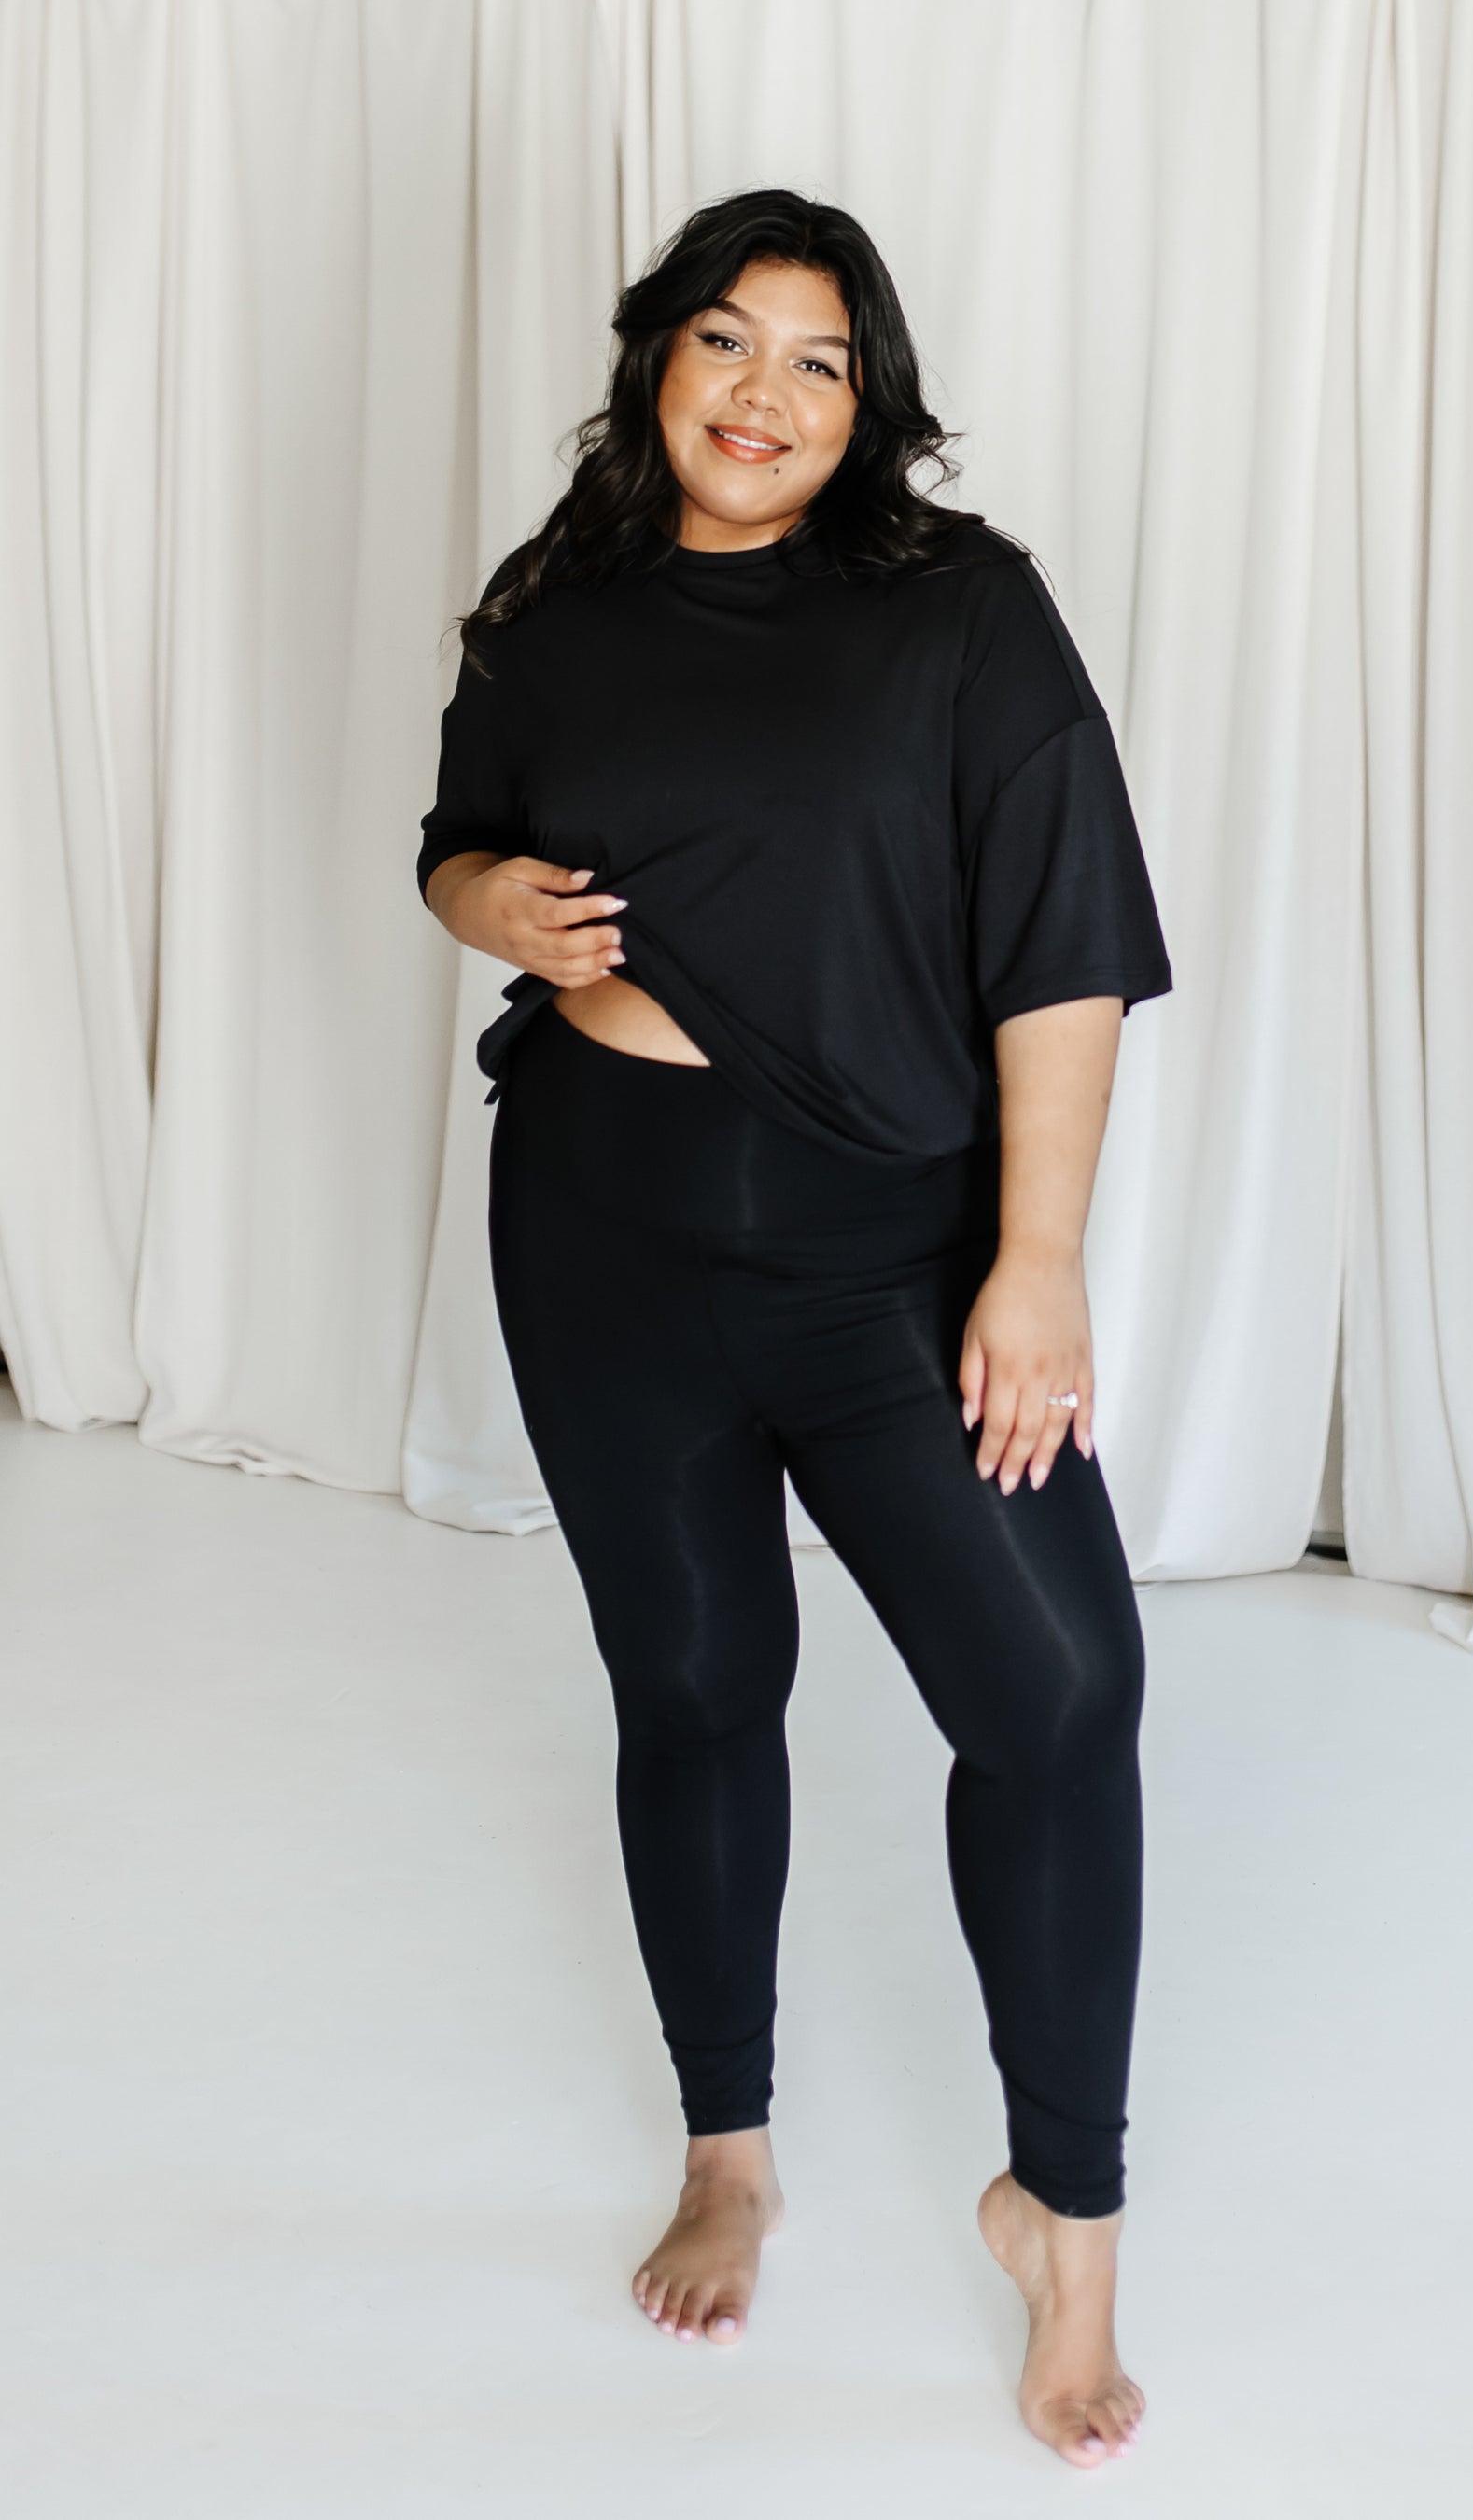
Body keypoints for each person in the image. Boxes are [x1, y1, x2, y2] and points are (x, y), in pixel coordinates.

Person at [417, 189, 1172, 2471]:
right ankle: (726, 2143)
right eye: (727, 344)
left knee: (1059, 1691)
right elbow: (454, 837)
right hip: (602, 1235)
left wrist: (1031, 1262)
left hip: (889, 1259)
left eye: (820, 361)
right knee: (698, 1683)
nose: (764, 394)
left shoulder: (961, 610)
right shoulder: (560, 611)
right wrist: (494, 909)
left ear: (873, 401)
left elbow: (1064, 943)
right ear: (658, 362)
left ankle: (1065, 2215)